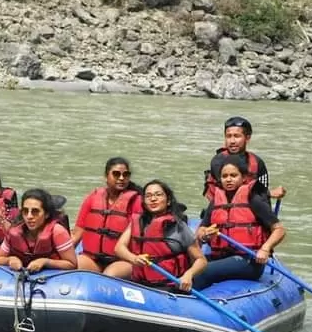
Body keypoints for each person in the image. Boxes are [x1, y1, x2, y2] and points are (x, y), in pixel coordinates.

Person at [194, 155, 286, 290]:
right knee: (190, 265)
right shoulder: (216, 201)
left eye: (233, 175)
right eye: (224, 176)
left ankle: (188, 303)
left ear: (243, 178)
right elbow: (201, 229)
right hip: (220, 256)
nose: (229, 179)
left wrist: (265, 249)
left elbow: (279, 230)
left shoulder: (253, 199)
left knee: (202, 270)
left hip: (248, 261)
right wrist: (204, 234)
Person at [109, 180, 207, 292]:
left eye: (158, 195)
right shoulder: (137, 221)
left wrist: (189, 274)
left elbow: (201, 260)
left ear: (168, 200)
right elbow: (119, 248)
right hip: (140, 283)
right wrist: (134, 258)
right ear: (144, 201)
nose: (153, 199)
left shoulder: (178, 227)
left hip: (169, 286)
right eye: (148, 196)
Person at [71, 157, 143, 273]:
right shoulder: (93, 197)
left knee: (110, 275)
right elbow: (76, 235)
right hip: (92, 259)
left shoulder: (137, 202)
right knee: (72, 265)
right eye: (116, 174)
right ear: (106, 176)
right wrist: (62, 259)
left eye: (125, 175)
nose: (121, 178)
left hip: (123, 261)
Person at [202, 116, 286, 202]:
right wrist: (269, 193)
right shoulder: (218, 161)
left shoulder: (258, 163)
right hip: (223, 208)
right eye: (228, 136)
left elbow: (262, 194)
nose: (232, 141)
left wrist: (266, 195)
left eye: (237, 136)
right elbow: (229, 192)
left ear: (247, 138)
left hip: (249, 210)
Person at [0, 188, 77, 273]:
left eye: (35, 211)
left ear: (46, 214)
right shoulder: (14, 230)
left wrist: (45, 262)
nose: (29, 216)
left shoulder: (57, 232)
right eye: (25, 211)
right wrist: (10, 259)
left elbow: (72, 264)